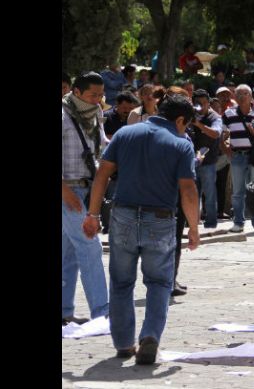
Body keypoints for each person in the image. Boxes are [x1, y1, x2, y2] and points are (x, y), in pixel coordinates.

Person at [83, 94, 201, 365]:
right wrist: (194, 228)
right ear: (180, 120)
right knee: (159, 282)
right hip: (160, 220)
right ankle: (150, 337)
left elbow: (102, 174)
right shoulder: (181, 144)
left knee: (121, 282)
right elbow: (188, 190)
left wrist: (92, 213)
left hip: (122, 216)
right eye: (186, 125)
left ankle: (124, 344)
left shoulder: (125, 133)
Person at [62, 72, 110, 326]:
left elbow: (101, 145)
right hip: (67, 191)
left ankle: (64, 313)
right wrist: (64, 191)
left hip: (86, 190)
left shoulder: (95, 115)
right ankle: (102, 313)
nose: (98, 100)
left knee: (68, 253)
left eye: (101, 95)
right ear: (77, 93)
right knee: (90, 246)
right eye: (93, 95)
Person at [222, 84, 254, 233]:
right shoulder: (228, 113)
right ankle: (238, 222)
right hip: (237, 156)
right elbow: (222, 132)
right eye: (238, 94)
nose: (241, 96)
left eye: (245, 93)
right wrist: (225, 148)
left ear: (251, 96)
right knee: (238, 191)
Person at [191, 90, 223, 228]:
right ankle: (192, 222)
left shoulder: (215, 117)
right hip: (192, 160)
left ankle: (211, 222)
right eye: (198, 103)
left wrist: (198, 125)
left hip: (208, 162)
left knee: (209, 194)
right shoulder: (191, 115)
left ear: (209, 103)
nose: (202, 106)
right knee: (193, 194)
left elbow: (216, 133)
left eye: (205, 103)